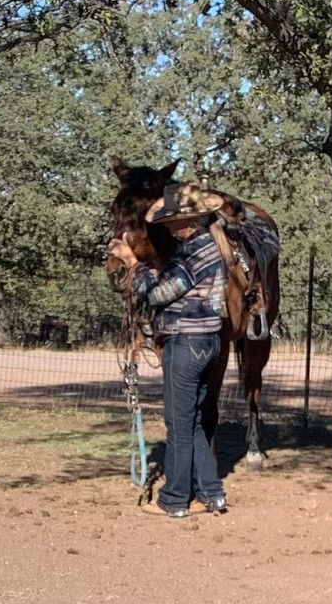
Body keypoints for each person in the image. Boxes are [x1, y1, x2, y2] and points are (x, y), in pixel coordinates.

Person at [107, 182, 229, 518]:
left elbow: (159, 293)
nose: (168, 226)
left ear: (187, 221)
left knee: (178, 423)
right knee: (194, 422)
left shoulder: (191, 252)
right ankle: (212, 493)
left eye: (172, 220)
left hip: (186, 344)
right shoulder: (210, 247)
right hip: (209, 343)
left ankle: (174, 499)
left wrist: (133, 263)